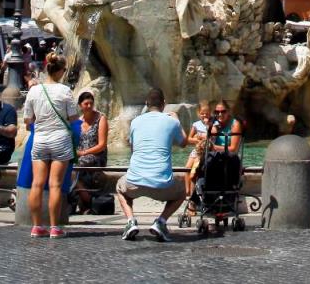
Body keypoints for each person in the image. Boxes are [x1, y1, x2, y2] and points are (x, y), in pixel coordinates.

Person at [118, 86, 187, 242]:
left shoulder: (135, 122)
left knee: (120, 188)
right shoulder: (171, 121)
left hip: (134, 183)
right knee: (182, 191)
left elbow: (133, 149)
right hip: (162, 185)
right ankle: (161, 222)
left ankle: (131, 222)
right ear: (164, 104)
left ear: (146, 104)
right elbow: (184, 142)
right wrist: (177, 120)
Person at [22, 51, 80, 239]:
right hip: (60, 140)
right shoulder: (65, 91)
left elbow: (27, 120)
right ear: (60, 71)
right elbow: (73, 118)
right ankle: (55, 227)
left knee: (37, 184)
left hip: (40, 139)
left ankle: (36, 226)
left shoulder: (34, 90)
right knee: (55, 185)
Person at [70, 90, 110, 214]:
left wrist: (83, 152)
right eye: (86, 103)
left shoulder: (101, 118)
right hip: (82, 156)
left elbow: (102, 145)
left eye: (91, 103)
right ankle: (82, 198)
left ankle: (86, 200)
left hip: (97, 156)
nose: (89, 106)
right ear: (80, 105)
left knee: (74, 169)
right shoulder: (78, 121)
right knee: (66, 165)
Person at [183, 99, 212, 206]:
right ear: (198, 113)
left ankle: (192, 197)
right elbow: (188, 139)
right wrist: (198, 139)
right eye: (202, 113)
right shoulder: (196, 124)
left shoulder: (213, 124)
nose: (205, 115)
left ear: (211, 113)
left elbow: (213, 137)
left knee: (193, 174)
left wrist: (207, 130)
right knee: (186, 168)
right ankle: (187, 191)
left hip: (204, 152)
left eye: (207, 113)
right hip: (196, 150)